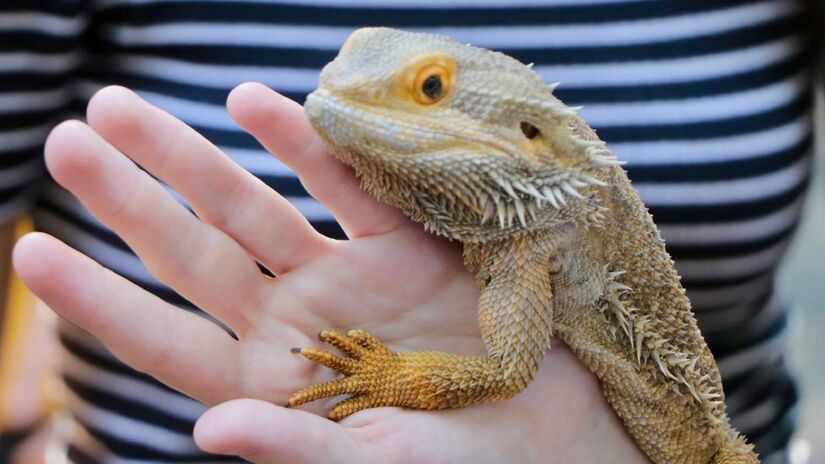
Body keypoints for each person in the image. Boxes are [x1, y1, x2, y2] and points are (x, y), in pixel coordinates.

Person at [0, 1, 819, 462]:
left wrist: (386, 373)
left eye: (426, 90)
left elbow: (501, 369)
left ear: (528, 140)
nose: (340, 89)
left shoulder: (538, 238)